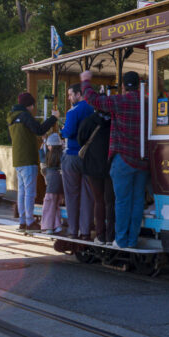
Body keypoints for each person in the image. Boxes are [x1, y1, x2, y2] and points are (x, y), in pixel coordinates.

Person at [80, 69, 148, 249]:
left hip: (123, 158)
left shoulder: (120, 101)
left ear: (124, 86)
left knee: (122, 201)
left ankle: (121, 240)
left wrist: (86, 81)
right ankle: (132, 240)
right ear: (140, 83)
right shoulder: (147, 102)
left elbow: (93, 99)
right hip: (142, 159)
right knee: (137, 201)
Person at [8, 92, 59, 231]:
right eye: (32, 106)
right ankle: (30, 222)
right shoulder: (25, 116)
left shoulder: (12, 118)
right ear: (29, 105)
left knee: (22, 192)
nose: (33, 109)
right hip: (28, 158)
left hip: (18, 159)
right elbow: (39, 129)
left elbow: (18, 137)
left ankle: (23, 221)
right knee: (30, 192)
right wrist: (54, 117)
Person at [59, 83, 94, 239]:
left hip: (72, 155)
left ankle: (73, 230)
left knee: (72, 195)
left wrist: (61, 129)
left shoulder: (73, 112)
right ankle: (86, 231)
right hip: (88, 156)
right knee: (88, 195)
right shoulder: (92, 108)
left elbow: (68, 132)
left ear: (79, 94)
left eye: (70, 94)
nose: (69, 97)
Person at [77, 110, 115, 244]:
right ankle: (111, 236)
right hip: (110, 166)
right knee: (110, 201)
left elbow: (80, 140)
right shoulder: (114, 121)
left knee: (99, 201)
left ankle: (100, 235)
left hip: (92, 166)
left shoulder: (88, 121)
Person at [40, 134, 64, 234]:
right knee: (55, 206)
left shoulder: (49, 158)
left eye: (49, 145)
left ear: (52, 146)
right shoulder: (62, 156)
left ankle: (48, 227)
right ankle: (57, 226)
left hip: (51, 188)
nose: (48, 147)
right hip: (61, 188)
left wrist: (42, 147)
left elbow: (43, 165)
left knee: (48, 207)